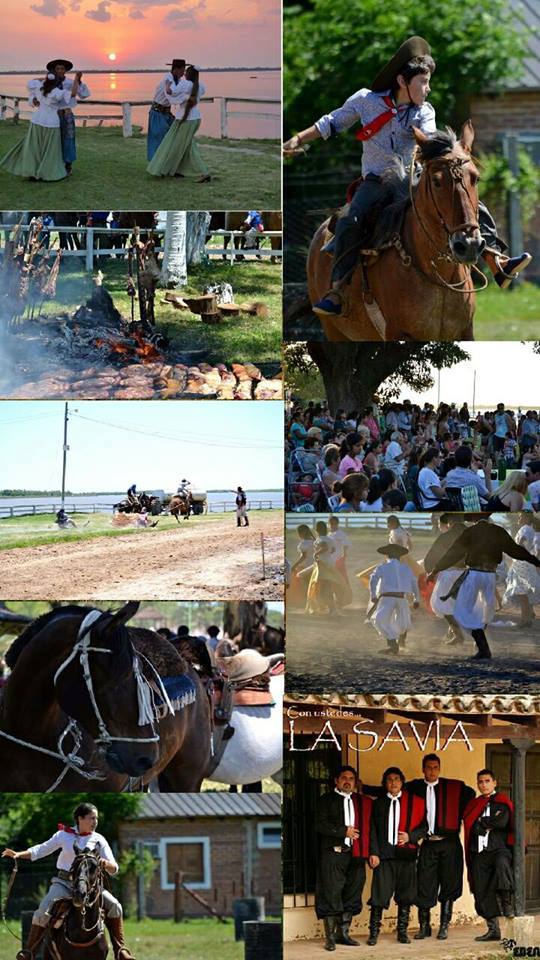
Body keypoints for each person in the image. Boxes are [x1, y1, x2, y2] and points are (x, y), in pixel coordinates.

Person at [283, 37, 531, 318]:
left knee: (466, 197)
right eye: (423, 82)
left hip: (412, 182)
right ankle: (337, 289)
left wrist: (421, 149)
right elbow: (331, 121)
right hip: (377, 182)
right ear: (403, 81)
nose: (428, 89)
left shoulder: (425, 112)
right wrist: (298, 138)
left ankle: (497, 260)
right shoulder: (366, 101)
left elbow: (427, 140)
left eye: (428, 82)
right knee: (351, 220)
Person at [2, 802, 135, 960]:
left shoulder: (99, 839)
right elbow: (41, 849)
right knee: (41, 913)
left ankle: (121, 951)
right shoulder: (63, 835)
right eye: (92, 818)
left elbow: (115, 868)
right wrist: (19, 854)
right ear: (80, 818)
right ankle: (28, 952)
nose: (95, 822)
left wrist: (106, 864)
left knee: (116, 906)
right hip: (64, 884)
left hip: (91, 887)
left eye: (96, 818)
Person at [428, 517, 540, 658]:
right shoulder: (498, 531)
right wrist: (536, 561)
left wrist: (435, 570)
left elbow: (453, 553)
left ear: (474, 519)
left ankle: (482, 647)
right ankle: (480, 645)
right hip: (490, 576)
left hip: (474, 575)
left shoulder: (471, 531)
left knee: (462, 611)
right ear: (489, 519)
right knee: (486, 611)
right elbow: (515, 550)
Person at [407, 755, 475, 941]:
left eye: (435, 767)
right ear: (423, 769)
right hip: (428, 843)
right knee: (424, 883)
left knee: (449, 883)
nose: (432, 771)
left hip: (449, 842)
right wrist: (365, 788)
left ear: (439, 768)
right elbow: (391, 791)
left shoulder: (455, 787)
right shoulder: (413, 788)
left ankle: (444, 926)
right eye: (428, 767)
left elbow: (472, 799)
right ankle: (424, 926)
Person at [367, 766, 427, 946]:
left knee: (406, 896)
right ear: (385, 783)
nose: (393, 783)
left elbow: (424, 827)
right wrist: (374, 853)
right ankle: (373, 933)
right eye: (389, 780)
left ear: (402, 782)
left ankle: (402, 932)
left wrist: (411, 836)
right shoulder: (378, 803)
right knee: (379, 896)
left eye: (396, 779)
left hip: (406, 855)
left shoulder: (415, 802)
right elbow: (372, 830)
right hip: (384, 856)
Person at [315, 766, 373, 951]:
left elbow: (371, 827)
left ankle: (343, 934)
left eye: (351, 778)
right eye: (344, 778)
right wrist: (343, 831)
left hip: (356, 855)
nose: (347, 781)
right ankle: (330, 938)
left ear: (355, 782)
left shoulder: (361, 802)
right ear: (336, 780)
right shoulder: (326, 800)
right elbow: (319, 824)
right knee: (331, 894)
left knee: (352, 893)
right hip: (334, 854)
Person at [462, 769, 514, 942]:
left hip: (499, 849)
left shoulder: (502, 801)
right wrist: (487, 823)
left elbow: (502, 821)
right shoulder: (474, 804)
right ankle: (493, 929)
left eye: (487, 781)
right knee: (482, 889)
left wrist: (482, 822)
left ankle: (507, 903)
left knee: (502, 865)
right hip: (479, 852)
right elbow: (472, 826)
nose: (483, 784)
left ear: (494, 782)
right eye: (480, 782)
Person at [1, 71, 82, 181]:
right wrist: (77, 79)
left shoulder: (39, 87)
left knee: (35, 147)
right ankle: (46, 173)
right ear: (56, 82)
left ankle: (32, 172)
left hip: (37, 120)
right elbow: (73, 93)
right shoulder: (56, 91)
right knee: (49, 149)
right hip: (51, 123)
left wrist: (44, 78)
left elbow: (32, 81)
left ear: (46, 79)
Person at [147, 65, 211, 182]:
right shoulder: (200, 86)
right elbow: (194, 94)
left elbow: (171, 92)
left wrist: (167, 85)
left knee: (177, 145)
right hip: (196, 119)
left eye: (186, 72)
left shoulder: (185, 84)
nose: (184, 74)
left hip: (184, 119)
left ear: (189, 74)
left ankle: (203, 172)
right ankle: (178, 170)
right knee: (184, 146)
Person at [423, 514, 468, 645]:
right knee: (460, 605)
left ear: (450, 522)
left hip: (449, 573)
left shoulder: (446, 536)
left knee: (442, 604)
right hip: (468, 573)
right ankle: (455, 632)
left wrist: (430, 571)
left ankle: (458, 635)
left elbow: (432, 556)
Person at [367, 544, 419, 655]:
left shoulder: (383, 567)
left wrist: (373, 596)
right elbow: (414, 583)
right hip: (401, 598)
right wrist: (416, 599)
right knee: (403, 621)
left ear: (387, 555)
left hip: (387, 598)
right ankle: (400, 643)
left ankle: (393, 645)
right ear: (400, 556)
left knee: (381, 620)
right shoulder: (406, 568)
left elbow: (373, 579)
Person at [46, 58, 91, 175]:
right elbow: (43, 93)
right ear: (54, 71)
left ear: (65, 71)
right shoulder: (50, 83)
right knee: (54, 139)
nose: (60, 71)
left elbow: (84, 95)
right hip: (53, 115)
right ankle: (54, 163)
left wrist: (79, 81)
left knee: (68, 139)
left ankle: (68, 165)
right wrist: (35, 98)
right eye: (57, 69)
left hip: (66, 115)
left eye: (62, 69)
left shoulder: (70, 82)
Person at [147, 59, 187, 160]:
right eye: (183, 70)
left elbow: (181, 93)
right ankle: (157, 166)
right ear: (176, 69)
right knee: (159, 140)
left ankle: (170, 164)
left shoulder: (178, 81)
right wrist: (169, 89)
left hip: (166, 114)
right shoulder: (168, 78)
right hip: (157, 113)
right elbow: (169, 88)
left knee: (174, 137)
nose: (183, 73)